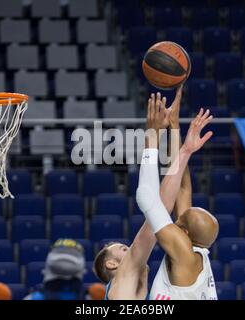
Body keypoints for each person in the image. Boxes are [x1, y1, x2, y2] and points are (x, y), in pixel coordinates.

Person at [92, 88, 189, 299]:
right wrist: (155, 134)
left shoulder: (127, 287)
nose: (132, 248)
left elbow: (165, 205)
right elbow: (161, 207)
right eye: (123, 249)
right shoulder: (123, 277)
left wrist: (171, 133)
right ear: (112, 264)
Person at [136, 106, 219, 300]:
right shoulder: (196, 251)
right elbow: (182, 188)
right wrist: (174, 128)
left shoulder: (184, 254)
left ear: (185, 233)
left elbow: (147, 197)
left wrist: (153, 134)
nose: (177, 217)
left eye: (181, 218)